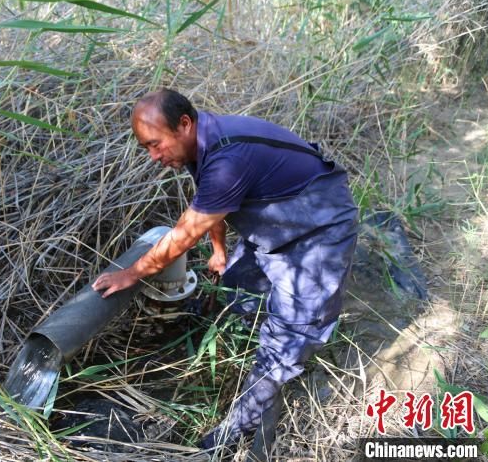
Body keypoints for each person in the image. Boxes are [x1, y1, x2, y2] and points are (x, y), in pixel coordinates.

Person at [91, 88, 358, 450]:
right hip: (276, 221)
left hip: (318, 227)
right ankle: (253, 357)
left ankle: (238, 428)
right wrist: (219, 251)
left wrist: (133, 273)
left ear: (184, 124)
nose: (153, 156)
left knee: (290, 335)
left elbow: (186, 232)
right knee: (238, 288)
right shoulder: (198, 143)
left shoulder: (227, 156)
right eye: (146, 149)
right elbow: (209, 203)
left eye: (155, 144)